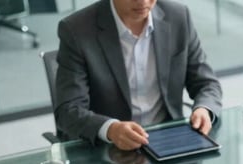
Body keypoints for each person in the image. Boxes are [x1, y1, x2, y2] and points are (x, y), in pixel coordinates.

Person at [55, 0, 221, 150]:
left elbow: (207, 83)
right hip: (108, 152)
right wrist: (111, 129)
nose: (142, 2)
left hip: (168, 142)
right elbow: (69, 109)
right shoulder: (76, 30)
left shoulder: (178, 17)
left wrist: (204, 109)